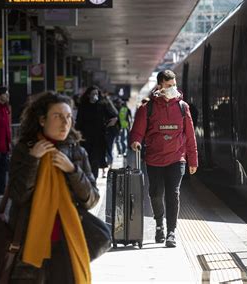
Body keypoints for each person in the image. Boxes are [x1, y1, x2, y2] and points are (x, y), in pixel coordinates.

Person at [8, 91, 99, 283]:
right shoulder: (25, 150)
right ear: (42, 120)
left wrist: (73, 170)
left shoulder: (77, 152)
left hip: (68, 241)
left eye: (68, 117)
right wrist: (33, 160)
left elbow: (91, 199)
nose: (65, 123)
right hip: (30, 242)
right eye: (58, 116)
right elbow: (18, 195)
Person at [130, 69, 198, 248]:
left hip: (177, 159)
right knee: (155, 193)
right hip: (154, 159)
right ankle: (159, 224)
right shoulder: (148, 108)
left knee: (173, 194)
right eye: (169, 86)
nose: (173, 89)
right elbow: (137, 130)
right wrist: (136, 142)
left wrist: (193, 160)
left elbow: (190, 136)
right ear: (160, 85)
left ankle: (171, 232)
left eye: (174, 85)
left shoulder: (183, 107)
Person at [76, 86, 117, 178]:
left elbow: (114, 116)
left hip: (98, 137)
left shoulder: (102, 105)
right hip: (85, 137)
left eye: (97, 94)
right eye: (93, 93)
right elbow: (79, 121)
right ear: (88, 95)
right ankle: (87, 178)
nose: (95, 96)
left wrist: (107, 126)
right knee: (86, 158)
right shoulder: (83, 106)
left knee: (95, 160)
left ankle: (93, 180)